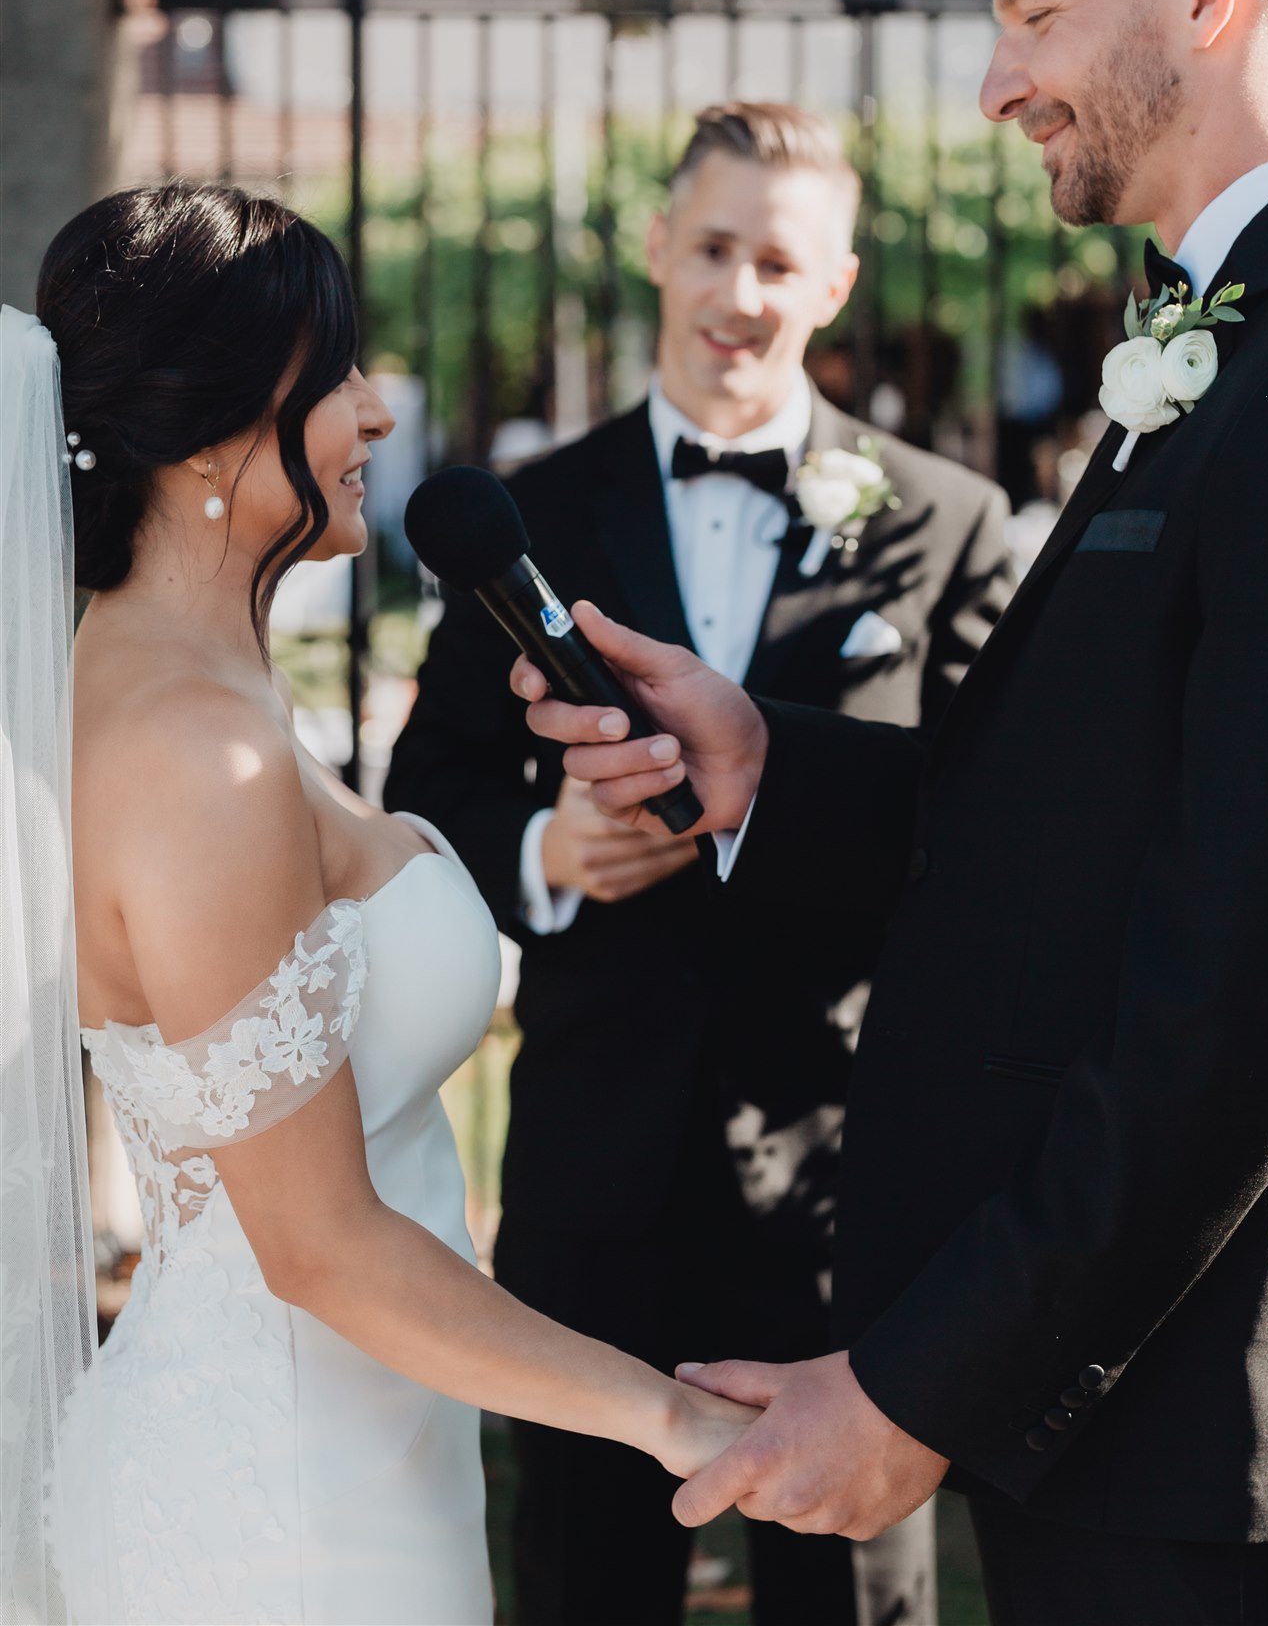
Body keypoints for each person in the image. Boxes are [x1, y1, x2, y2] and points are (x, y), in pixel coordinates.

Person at [509, 0, 1268, 1626]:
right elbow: (1092, 824)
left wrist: (922, 1387)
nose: (996, 84)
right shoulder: (1230, 340)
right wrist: (764, 768)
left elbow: (1238, 999)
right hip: (1104, 1428)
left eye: (1035, 12)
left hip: (1185, 1436)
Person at [10, 183, 753, 1626]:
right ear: (215, 426)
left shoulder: (207, 687)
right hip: (283, 1514)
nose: (377, 415)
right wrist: (680, 1423)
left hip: (361, 1452)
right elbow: (318, 1242)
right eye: (338, 375)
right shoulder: (188, 746)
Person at [386, 101, 1012, 1626]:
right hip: (593, 1173)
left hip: (842, 1184)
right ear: (659, 249)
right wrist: (549, 849)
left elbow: (1000, 834)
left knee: (848, 1594)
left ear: (834, 286)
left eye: (777, 262)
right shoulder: (526, 516)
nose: (739, 294)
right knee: (581, 1577)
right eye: (714, 247)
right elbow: (426, 792)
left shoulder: (946, 522)